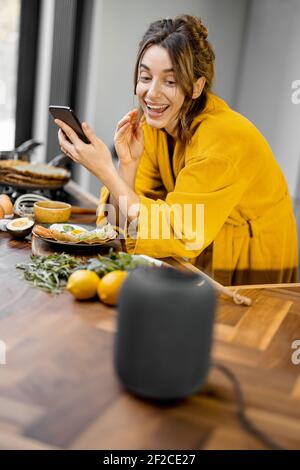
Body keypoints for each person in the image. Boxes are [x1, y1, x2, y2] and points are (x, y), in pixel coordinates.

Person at [55, 14, 298, 285]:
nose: (152, 93)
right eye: (145, 77)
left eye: (170, 82)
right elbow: (120, 227)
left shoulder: (224, 139)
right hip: (200, 253)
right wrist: (127, 166)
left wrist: (105, 171)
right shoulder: (152, 128)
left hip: (255, 267)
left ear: (196, 87)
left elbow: (179, 228)